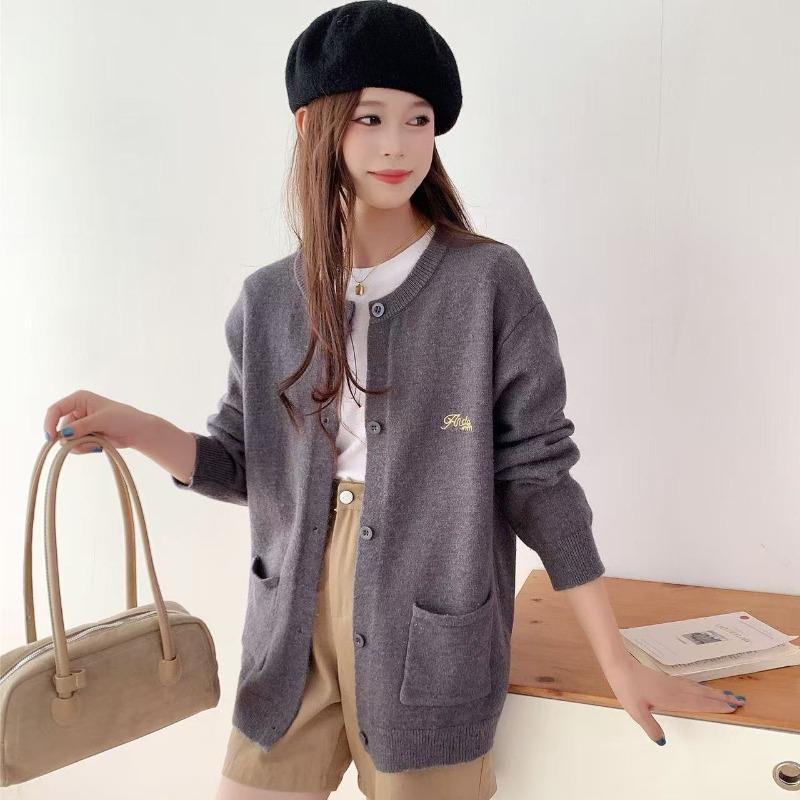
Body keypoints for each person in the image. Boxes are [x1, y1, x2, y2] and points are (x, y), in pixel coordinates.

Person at [42, 2, 747, 798]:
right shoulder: (269, 300)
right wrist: (135, 427)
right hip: (289, 638)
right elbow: (244, 465)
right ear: (311, 126)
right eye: (371, 117)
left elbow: (539, 480)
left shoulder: (486, 284)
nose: (397, 145)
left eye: (419, 120)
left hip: (428, 625)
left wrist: (616, 660)